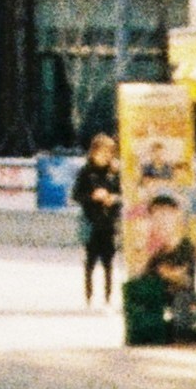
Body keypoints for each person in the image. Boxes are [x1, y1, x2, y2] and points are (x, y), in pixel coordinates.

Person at [72, 127, 122, 303]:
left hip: (109, 222)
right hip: (91, 222)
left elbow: (122, 194)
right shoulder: (86, 172)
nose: (107, 156)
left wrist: (114, 198)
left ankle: (108, 295)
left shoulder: (114, 173)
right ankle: (89, 294)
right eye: (103, 152)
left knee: (109, 262)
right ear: (94, 152)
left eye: (110, 153)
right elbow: (76, 195)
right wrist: (92, 196)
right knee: (90, 261)